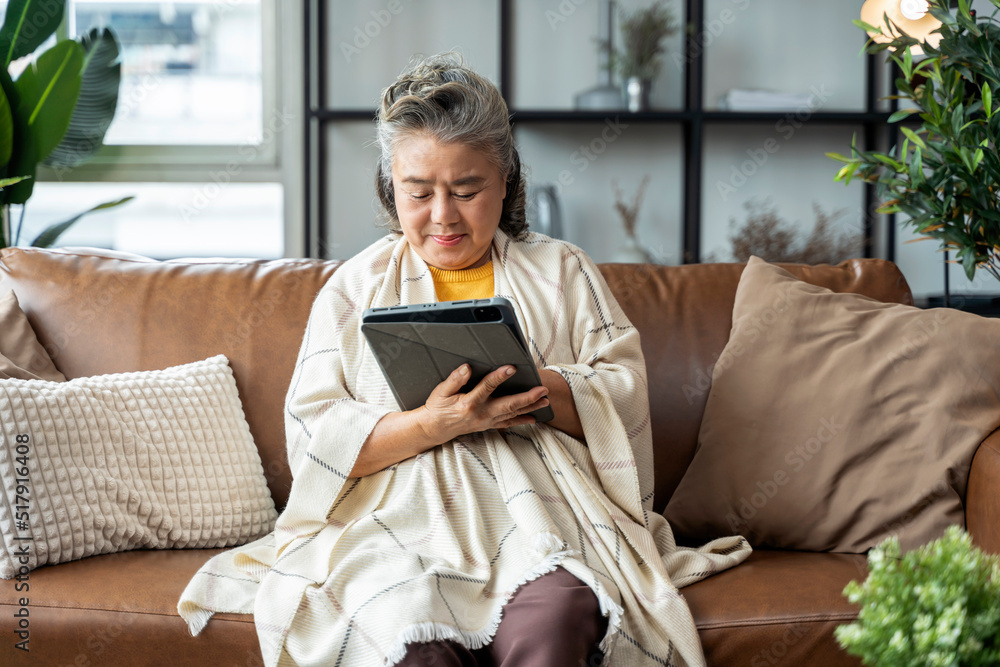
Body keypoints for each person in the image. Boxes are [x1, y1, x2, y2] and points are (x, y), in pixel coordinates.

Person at [180, 54, 750, 667]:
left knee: (558, 616)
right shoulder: (352, 289)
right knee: (407, 633)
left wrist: (533, 391)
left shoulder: (563, 271)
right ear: (389, 187)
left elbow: (626, 393)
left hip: (545, 516)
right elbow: (315, 440)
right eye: (418, 192)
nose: (443, 215)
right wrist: (437, 423)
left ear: (506, 183)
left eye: (467, 190)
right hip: (392, 524)